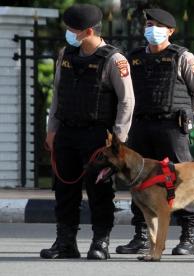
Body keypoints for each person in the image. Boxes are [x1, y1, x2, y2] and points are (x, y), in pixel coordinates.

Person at [40, 4, 135, 260]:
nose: (69, 33)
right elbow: (58, 94)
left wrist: (118, 139)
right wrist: (52, 130)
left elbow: (127, 101)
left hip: (98, 136)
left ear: (88, 31)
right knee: (64, 189)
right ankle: (65, 242)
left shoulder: (114, 60)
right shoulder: (65, 55)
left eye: (73, 29)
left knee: (100, 190)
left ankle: (100, 242)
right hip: (67, 132)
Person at [115, 8, 194, 255]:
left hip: (171, 126)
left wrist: (188, 123)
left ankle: (188, 236)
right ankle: (142, 235)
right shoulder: (133, 57)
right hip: (141, 126)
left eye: (157, 25)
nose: (151, 29)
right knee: (138, 180)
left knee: (180, 178)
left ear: (170, 31)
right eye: (148, 24)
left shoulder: (182, 57)